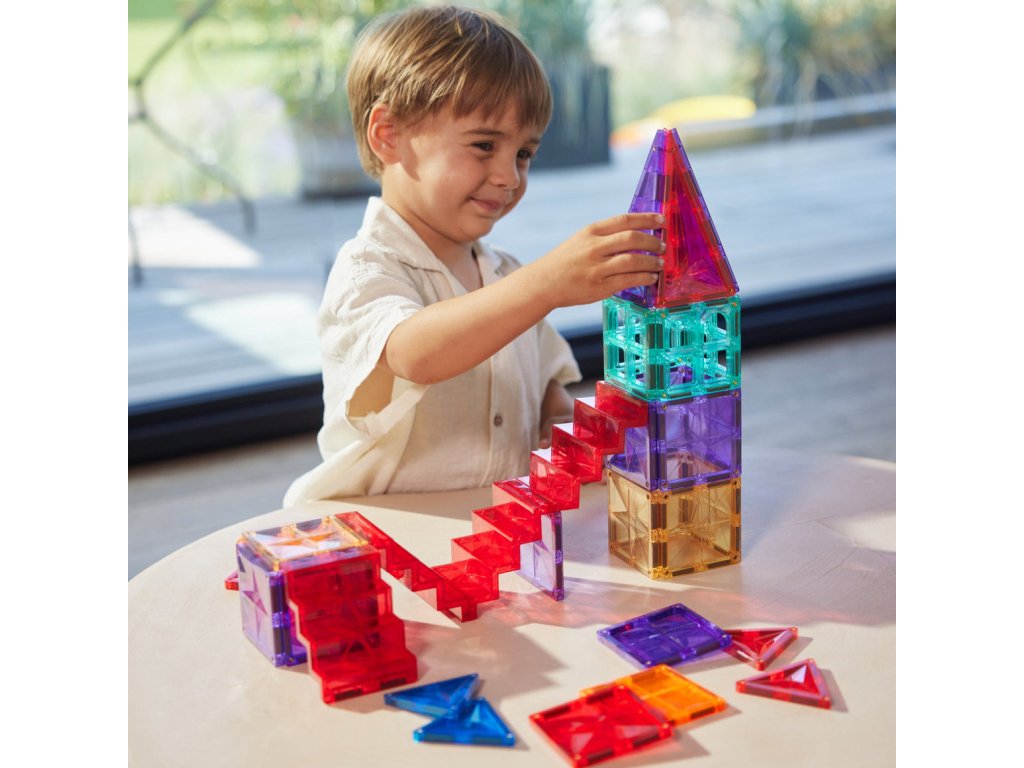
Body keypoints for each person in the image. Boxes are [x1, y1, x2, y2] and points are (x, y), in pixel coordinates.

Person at [284, 5, 664, 505]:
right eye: (484, 145)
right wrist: (547, 285)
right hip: (378, 526)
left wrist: (572, 428)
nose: (509, 176)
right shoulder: (365, 270)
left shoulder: (507, 275)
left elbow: (545, 391)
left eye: (524, 154)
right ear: (388, 135)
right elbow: (414, 353)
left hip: (492, 523)